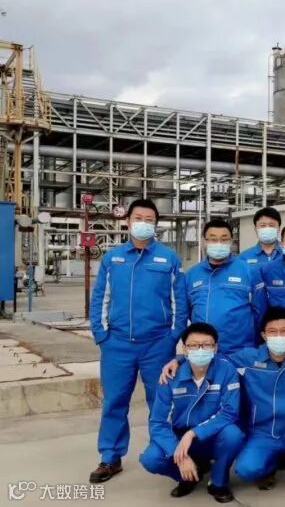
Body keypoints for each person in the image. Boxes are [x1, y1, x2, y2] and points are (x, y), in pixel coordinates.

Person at [160, 307, 285, 501]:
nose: (279, 337)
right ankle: (268, 466)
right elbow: (211, 357)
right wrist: (180, 359)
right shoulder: (248, 358)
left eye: (284, 331)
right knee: (246, 470)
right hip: (261, 433)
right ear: (263, 335)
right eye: (272, 332)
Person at [89, 199, 188, 483]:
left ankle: (164, 452)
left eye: (149, 219)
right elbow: (100, 298)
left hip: (157, 344)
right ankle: (110, 457)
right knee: (114, 401)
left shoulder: (168, 259)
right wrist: (101, 335)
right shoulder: (113, 259)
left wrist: (173, 336)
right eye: (138, 218)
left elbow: (179, 302)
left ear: (156, 225)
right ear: (128, 221)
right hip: (117, 344)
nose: (143, 223)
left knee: (161, 401)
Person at [139, 323, 244, 503]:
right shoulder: (170, 376)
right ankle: (188, 477)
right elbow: (158, 423)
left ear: (215, 348)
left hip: (210, 435)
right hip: (179, 438)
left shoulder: (226, 370)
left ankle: (218, 482)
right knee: (151, 459)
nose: (200, 350)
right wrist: (179, 455)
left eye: (207, 345)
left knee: (233, 435)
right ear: (184, 349)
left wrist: (193, 433)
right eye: (193, 345)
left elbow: (229, 412)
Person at [185, 219, 260, 355]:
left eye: (224, 239)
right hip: (203, 351)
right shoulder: (192, 274)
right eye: (213, 239)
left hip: (240, 351)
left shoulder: (248, 271)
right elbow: (189, 311)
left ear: (231, 242)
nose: (219, 243)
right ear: (204, 242)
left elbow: (259, 311)